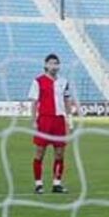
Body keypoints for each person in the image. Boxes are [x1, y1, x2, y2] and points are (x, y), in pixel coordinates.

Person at [28, 53, 77, 194]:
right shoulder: (38, 81)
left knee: (60, 153)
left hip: (59, 121)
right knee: (39, 153)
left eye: (56, 63)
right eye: (51, 63)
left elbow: (67, 101)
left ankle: (57, 183)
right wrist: (34, 121)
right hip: (44, 119)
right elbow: (34, 102)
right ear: (45, 65)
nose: (54, 66)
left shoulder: (63, 81)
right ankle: (38, 183)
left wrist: (70, 121)